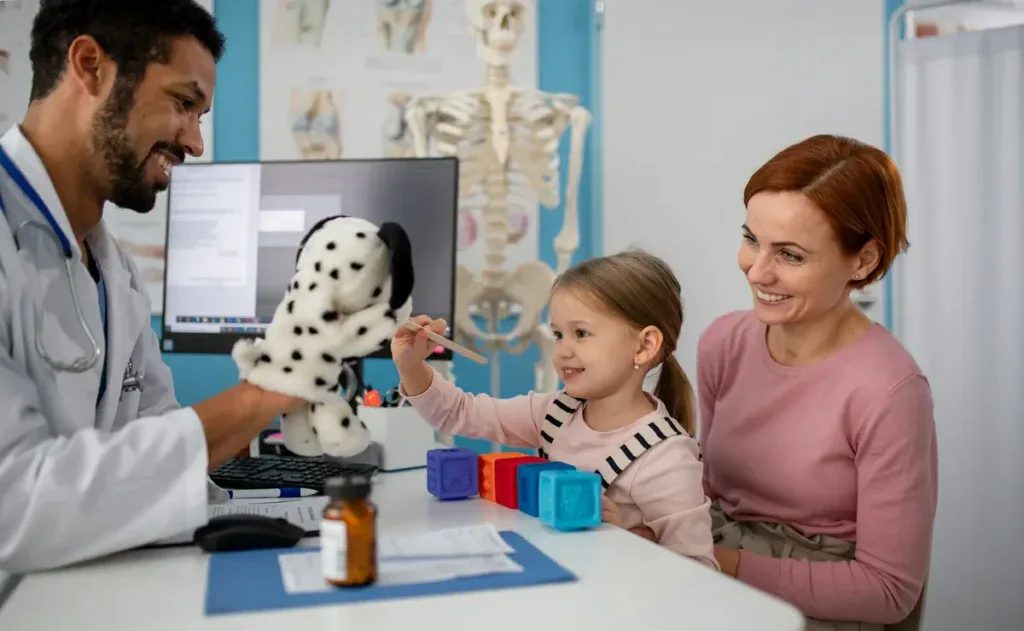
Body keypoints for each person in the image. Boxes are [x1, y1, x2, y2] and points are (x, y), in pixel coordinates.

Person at [0, 1, 303, 574]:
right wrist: (261, 395)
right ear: (90, 65)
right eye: (183, 104)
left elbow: (156, 441)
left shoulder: (114, 271)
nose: (195, 143)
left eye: (201, 115)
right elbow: (12, 505)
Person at [697, 135, 937, 629]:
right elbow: (706, 491)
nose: (756, 271)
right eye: (751, 240)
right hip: (717, 583)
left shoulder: (889, 392)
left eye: (789, 255)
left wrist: (723, 564)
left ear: (864, 261)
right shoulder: (724, 343)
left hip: (819, 606)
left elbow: (889, 592)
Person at [393, 251, 719, 570]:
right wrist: (411, 367)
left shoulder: (666, 458)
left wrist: (621, 541)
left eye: (581, 334)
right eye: (558, 334)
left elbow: (698, 572)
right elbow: (459, 413)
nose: (562, 350)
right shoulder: (554, 413)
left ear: (645, 345)